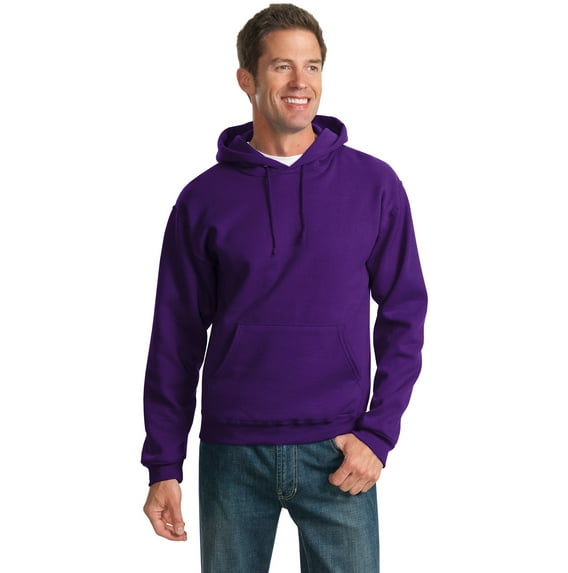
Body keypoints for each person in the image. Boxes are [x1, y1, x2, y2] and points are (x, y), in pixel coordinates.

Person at [142, 4, 427, 571]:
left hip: (340, 450)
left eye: (312, 66)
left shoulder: (374, 185)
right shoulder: (203, 199)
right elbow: (174, 337)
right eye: (282, 67)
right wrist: (164, 465)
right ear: (246, 78)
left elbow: (405, 314)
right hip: (232, 451)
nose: (301, 82)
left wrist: (379, 434)